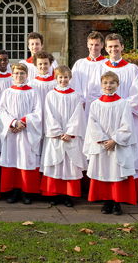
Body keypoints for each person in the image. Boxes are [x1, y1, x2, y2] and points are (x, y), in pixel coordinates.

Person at [83, 71, 138, 215]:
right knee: (104, 172)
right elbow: (92, 124)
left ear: (117, 85)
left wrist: (114, 140)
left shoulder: (123, 104)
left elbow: (127, 125)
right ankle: (106, 202)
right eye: (105, 83)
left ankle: (117, 203)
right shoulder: (95, 104)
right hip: (101, 145)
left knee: (116, 173)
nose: (108, 86)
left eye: (112, 83)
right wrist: (102, 139)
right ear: (101, 85)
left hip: (117, 145)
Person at [102, 33, 138, 200]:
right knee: (108, 157)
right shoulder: (101, 68)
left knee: (127, 155)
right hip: (106, 120)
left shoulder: (132, 69)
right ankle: (108, 194)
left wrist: (119, 107)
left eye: (116, 46)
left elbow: (136, 95)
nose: (113, 49)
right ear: (106, 49)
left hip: (127, 119)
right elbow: (94, 93)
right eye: (110, 46)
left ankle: (126, 194)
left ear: (122, 47)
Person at [40, 66, 86, 207]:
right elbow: (48, 115)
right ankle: (54, 194)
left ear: (70, 78)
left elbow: (78, 115)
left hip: (70, 137)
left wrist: (70, 132)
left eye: (66, 77)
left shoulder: (76, 96)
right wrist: (58, 132)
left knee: (69, 165)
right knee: (56, 163)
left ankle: (68, 195)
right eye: (60, 77)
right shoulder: (51, 95)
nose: (63, 80)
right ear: (56, 78)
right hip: (56, 136)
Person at [0, 63, 42, 204]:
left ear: (27, 75)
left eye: (22, 73)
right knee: (12, 159)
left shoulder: (33, 92)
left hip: (27, 132)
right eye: (16, 73)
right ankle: (12, 191)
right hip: (11, 132)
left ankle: (26, 192)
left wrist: (23, 121)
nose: (19, 76)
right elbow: (1, 111)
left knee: (26, 160)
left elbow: (38, 112)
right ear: (12, 75)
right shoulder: (7, 92)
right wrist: (12, 122)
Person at [71, 31, 106, 106]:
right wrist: (80, 100)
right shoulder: (79, 64)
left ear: (102, 45)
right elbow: (74, 83)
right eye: (91, 44)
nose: (93, 47)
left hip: (101, 104)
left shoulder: (107, 64)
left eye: (97, 45)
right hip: (82, 104)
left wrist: (102, 101)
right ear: (87, 44)